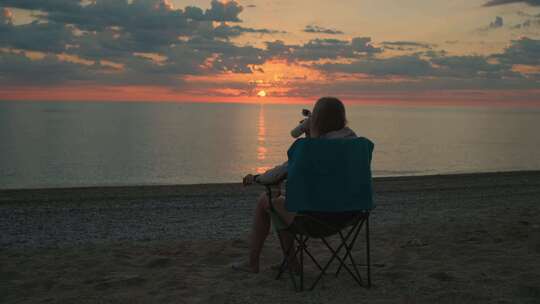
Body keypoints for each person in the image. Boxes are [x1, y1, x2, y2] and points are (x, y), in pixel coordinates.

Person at [233, 97, 358, 273]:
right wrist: (312, 135)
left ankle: (253, 263)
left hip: (316, 219)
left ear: (318, 120)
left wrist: (255, 178)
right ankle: (291, 264)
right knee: (277, 202)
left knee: (266, 200)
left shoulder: (310, 148)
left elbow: (277, 174)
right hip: (351, 214)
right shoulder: (355, 143)